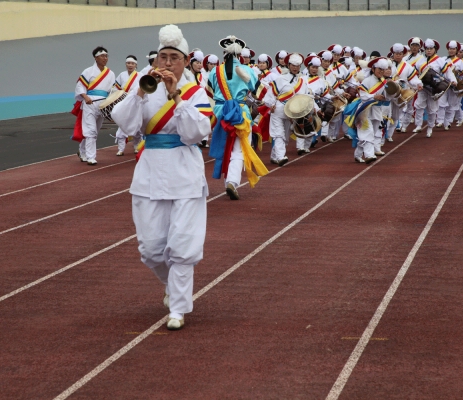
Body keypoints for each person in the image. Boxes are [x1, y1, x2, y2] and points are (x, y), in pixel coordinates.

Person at [111, 24, 213, 331]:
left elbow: (196, 133)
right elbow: (127, 126)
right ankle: (173, 287)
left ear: (184, 62)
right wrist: (140, 92)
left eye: (173, 58)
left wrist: (175, 96)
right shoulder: (142, 87)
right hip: (150, 171)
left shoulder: (196, 93)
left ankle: (179, 308)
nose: (167, 63)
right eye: (162, 57)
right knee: (151, 249)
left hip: (184, 171)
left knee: (182, 247)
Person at [207, 35, 268, 200]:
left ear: (224, 53)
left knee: (224, 147)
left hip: (220, 112)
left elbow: (209, 93)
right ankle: (232, 182)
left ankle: (228, 180)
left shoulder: (214, 71)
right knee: (238, 149)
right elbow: (261, 93)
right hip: (240, 113)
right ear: (240, 54)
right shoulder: (247, 70)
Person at [264, 52, 315, 166]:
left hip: (292, 113)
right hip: (278, 110)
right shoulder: (280, 79)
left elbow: (307, 96)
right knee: (279, 134)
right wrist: (271, 104)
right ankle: (281, 157)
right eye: (293, 65)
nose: (295, 68)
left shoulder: (302, 81)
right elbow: (269, 95)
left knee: (285, 137)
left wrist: (314, 108)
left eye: (297, 66)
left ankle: (274, 156)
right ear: (288, 65)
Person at [72, 46, 115, 165]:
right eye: (102, 56)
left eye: (106, 56)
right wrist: (85, 97)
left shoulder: (110, 73)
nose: (105, 58)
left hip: (103, 104)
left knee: (94, 130)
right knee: (91, 130)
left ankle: (82, 150)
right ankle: (91, 157)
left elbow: (112, 92)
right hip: (90, 103)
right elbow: (80, 86)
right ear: (96, 58)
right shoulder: (88, 71)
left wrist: (110, 110)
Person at [413, 38, 457, 138]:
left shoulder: (440, 60)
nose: (429, 50)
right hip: (423, 87)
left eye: (431, 48)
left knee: (432, 110)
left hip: (435, 88)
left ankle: (430, 128)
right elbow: (415, 74)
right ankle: (418, 125)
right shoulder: (420, 61)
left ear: (435, 49)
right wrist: (416, 84)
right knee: (419, 106)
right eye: (427, 48)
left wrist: (453, 80)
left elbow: (448, 72)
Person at [113, 55, 141, 156]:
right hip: (123, 103)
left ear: (136, 65)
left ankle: (136, 146)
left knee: (137, 126)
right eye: (128, 63)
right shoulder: (121, 75)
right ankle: (121, 149)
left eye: (132, 63)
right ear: (126, 64)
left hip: (135, 104)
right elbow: (115, 89)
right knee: (121, 125)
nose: (130, 65)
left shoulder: (140, 75)